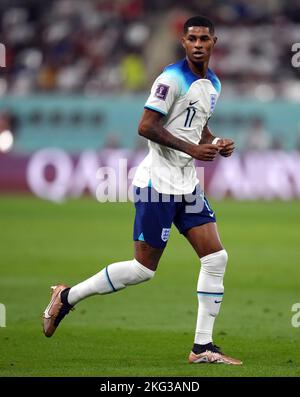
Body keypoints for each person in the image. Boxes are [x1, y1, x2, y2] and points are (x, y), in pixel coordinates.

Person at [43, 15, 242, 365]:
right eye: (192, 38)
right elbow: (146, 126)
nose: (198, 44)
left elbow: (198, 126)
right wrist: (193, 150)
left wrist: (216, 142)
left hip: (186, 185)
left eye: (204, 39)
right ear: (183, 42)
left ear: (214, 42)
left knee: (216, 258)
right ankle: (67, 296)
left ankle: (202, 347)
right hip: (157, 185)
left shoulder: (213, 84)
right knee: (142, 270)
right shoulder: (170, 79)